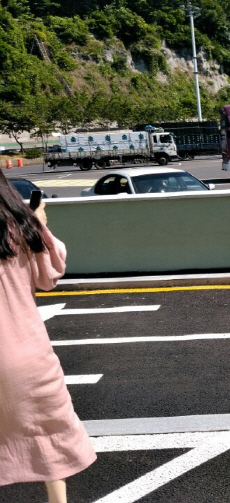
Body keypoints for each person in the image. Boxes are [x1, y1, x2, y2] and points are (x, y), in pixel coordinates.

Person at [0, 169, 96, 502]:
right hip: (27, 358)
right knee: (47, 433)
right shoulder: (20, 231)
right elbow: (49, 275)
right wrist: (36, 222)